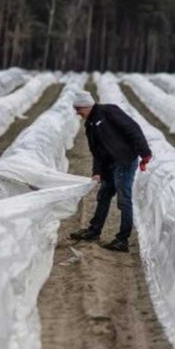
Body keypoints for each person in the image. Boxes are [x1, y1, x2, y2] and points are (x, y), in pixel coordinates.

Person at [69, 89, 152, 252]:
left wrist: (145, 153)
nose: (77, 113)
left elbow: (133, 129)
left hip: (125, 160)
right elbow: (96, 152)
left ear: (86, 106)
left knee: (124, 199)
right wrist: (97, 172)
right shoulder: (90, 125)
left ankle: (123, 240)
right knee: (104, 195)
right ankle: (94, 231)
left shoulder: (109, 111)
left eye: (78, 109)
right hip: (110, 164)